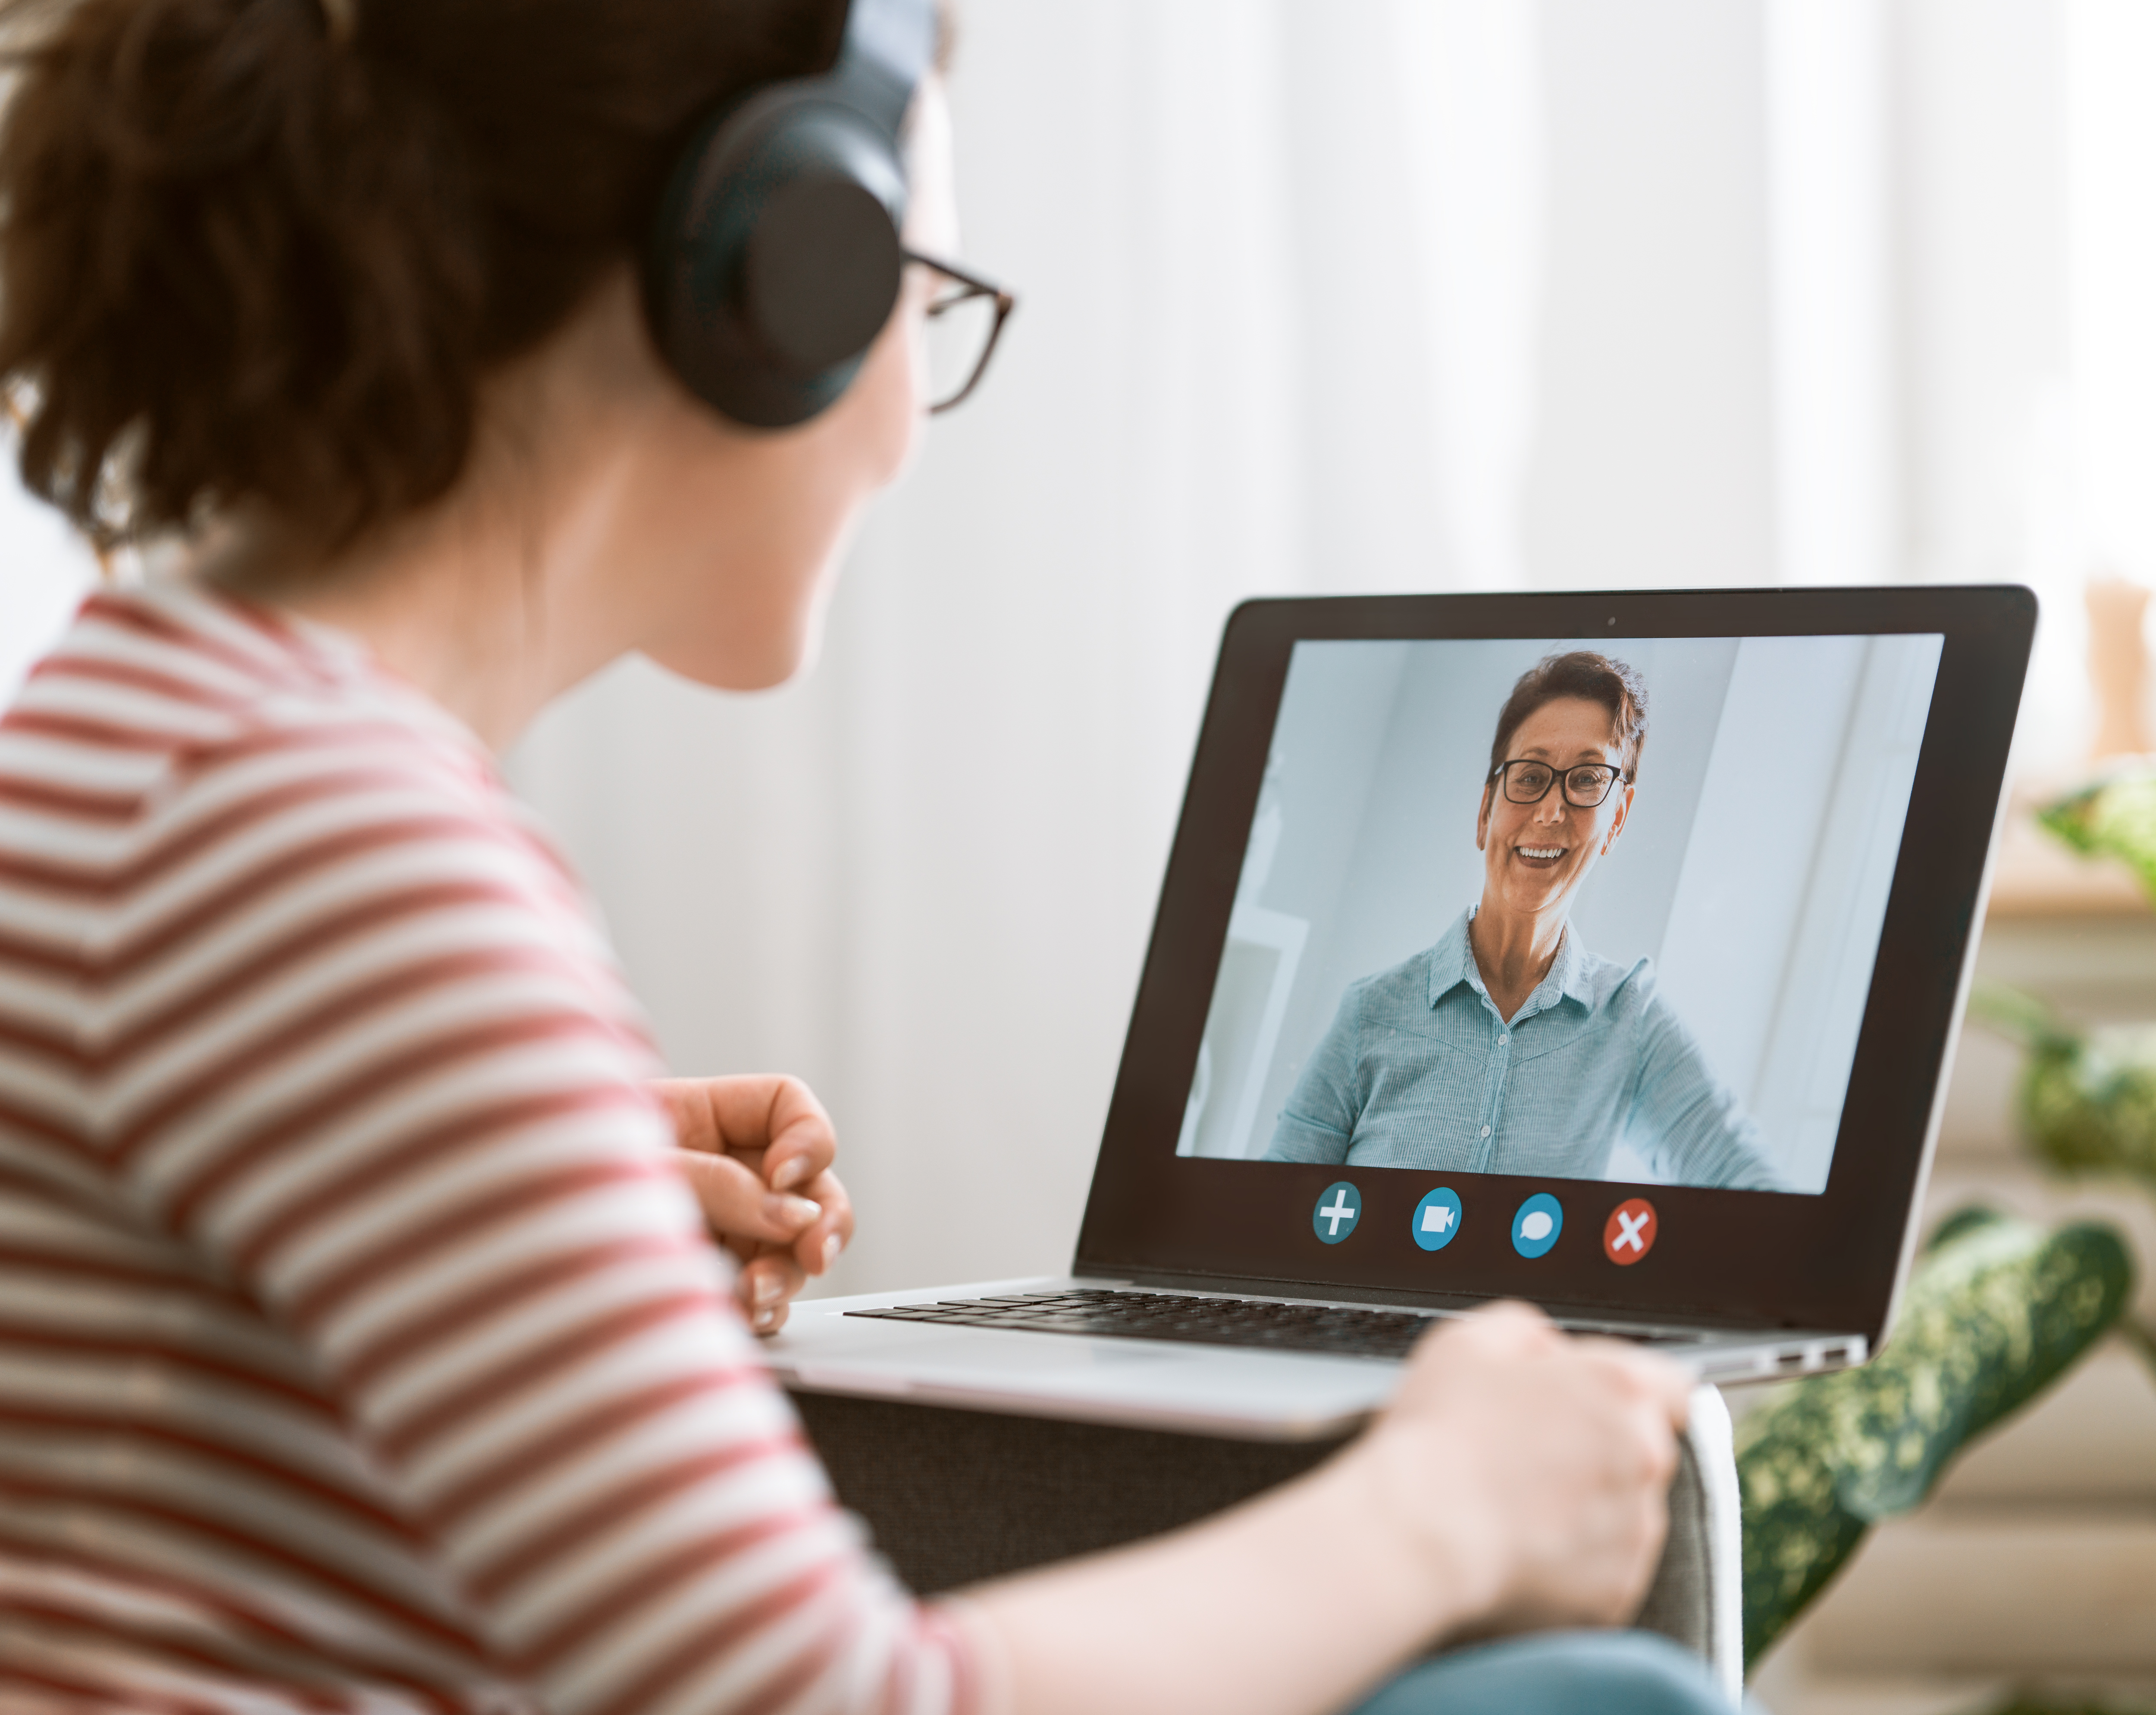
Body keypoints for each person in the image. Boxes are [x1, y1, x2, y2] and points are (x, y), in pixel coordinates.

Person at [0, 3, 1731, 1713]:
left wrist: (528, 1170)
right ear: (779, 276)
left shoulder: (128, 732)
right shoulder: (342, 850)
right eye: (927, 296)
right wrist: (1433, 1507)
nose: (914, 412)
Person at [1266, 651, 1781, 1189]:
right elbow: (1268, 1216)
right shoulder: (1369, 1015)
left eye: (1585, 779)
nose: (1550, 811)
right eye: (1531, 775)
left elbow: (1747, 1179)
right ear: (1485, 811)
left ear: (1617, 819)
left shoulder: (1630, 1024)